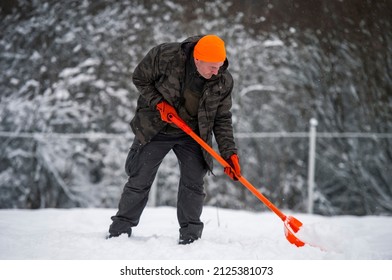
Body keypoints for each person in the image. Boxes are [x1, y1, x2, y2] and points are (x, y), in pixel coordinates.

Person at [108, 34, 241, 244]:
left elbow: (222, 118)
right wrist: (159, 104)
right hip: (155, 127)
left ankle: (191, 237)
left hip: (193, 134)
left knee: (193, 183)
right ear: (197, 59)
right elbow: (139, 78)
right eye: (212, 67)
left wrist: (229, 153)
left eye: (220, 65)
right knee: (139, 179)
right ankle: (120, 231)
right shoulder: (165, 56)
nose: (217, 71)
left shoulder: (222, 80)